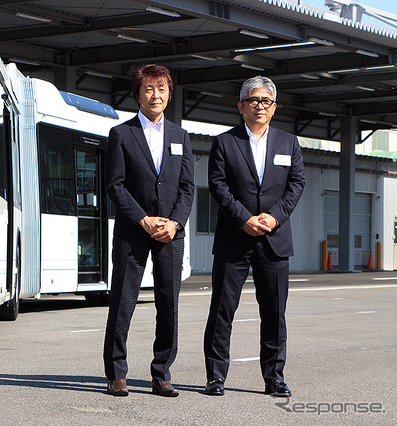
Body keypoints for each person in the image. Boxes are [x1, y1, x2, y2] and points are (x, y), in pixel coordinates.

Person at [203, 76, 305, 397]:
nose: (259, 106)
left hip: (274, 240)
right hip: (235, 237)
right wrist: (244, 219)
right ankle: (216, 376)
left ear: (274, 108)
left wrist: (274, 217)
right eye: (253, 101)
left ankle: (274, 377)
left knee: (274, 313)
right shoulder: (224, 142)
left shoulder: (289, 143)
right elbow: (218, 186)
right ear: (241, 106)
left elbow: (296, 184)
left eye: (266, 101)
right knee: (222, 310)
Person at [103, 64, 194, 397]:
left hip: (171, 233)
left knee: (168, 304)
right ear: (137, 95)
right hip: (133, 231)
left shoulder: (181, 137)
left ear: (169, 94)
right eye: (149, 89)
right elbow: (115, 185)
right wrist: (143, 220)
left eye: (162, 89)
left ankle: (161, 372)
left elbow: (188, 188)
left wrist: (174, 223)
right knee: (123, 303)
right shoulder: (121, 134)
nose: (155, 95)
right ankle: (116, 373)